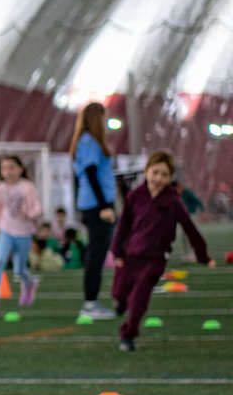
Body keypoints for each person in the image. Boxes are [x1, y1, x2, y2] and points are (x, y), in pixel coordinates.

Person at [108, 150, 211, 351]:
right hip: (130, 256)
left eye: (164, 175)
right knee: (119, 292)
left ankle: (128, 335)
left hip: (154, 260)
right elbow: (123, 226)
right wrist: (118, 252)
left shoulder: (173, 201)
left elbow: (190, 228)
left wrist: (203, 256)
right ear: (146, 172)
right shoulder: (134, 196)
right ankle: (120, 302)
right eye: (155, 172)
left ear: (170, 178)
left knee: (138, 301)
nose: (158, 178)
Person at [69, 102, 118, 320]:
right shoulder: (89, 141)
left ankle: (92, 302)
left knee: (97, 253)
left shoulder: (88, 141)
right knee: (96, 255)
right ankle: (90, 304)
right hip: (97, 205)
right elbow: (89, 173)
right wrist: (104, 206)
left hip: (94, 203)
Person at [0, 154, 43, 315]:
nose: (8, 172)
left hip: (23, 233)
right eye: (4, 168)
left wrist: (32, 214)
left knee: (19, 269)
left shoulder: (27, 187)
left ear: (20, 169)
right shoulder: (0, 188)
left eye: (11, 167)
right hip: (6, 230)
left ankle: (29, 283)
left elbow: (37, 207)